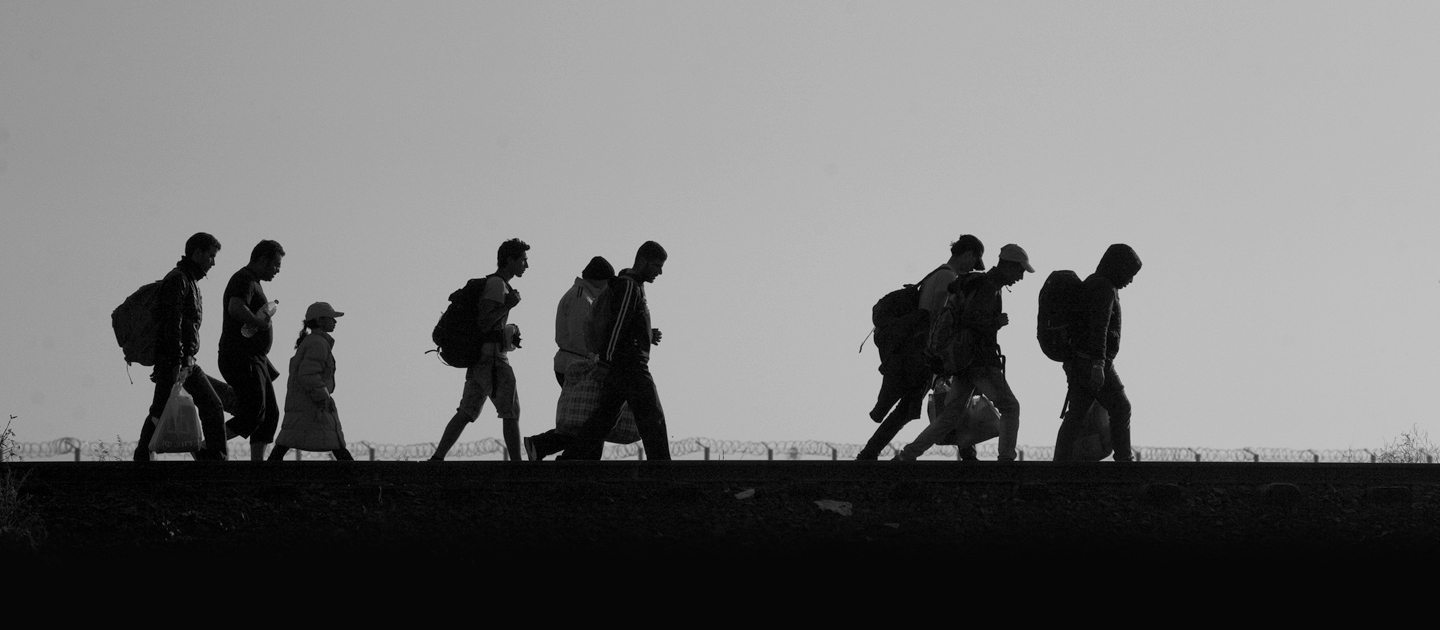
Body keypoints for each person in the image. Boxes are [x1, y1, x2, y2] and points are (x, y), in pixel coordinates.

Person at [898, 244, 1032, 461]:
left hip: (962, 360)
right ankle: (1006, 459)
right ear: (1008, 266)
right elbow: (972, 319)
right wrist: (995, 322)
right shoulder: (989, 287)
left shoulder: (979, 283)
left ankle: (907, 455)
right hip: (980, 360)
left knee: (950, 416)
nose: (1021, 277)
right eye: (1020, 271)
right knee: (1010, 407)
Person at [856, 235, 984, 460]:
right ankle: (967, 455)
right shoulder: (948, 277)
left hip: (922, 353)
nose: (972, 268)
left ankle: (869, 453)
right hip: (928, 355)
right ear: (968, 255)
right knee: (943, 404)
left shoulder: (936, 275)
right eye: (974, 261)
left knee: (916, 408)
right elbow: (941, 316)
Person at [558, 241, 671, 461]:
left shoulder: (632, 285)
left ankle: (570, 459)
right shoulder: (630, 286)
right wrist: (605, 361)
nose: (660, 272)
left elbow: (626, 326)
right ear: (643, 261)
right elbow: (617, 325)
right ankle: (662, 468)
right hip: (630, 365)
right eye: (657, 265)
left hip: (621, 364)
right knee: (652, 415)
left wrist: (646, 335)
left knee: (604, 418)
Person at [430, 238, 530, 462]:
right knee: (511, 411)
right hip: (492, 359)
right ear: (510, 260)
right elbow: (484, 321)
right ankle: (517, 465)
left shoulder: (498, 284)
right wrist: (508, 305)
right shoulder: (497, 285)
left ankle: (437, 458)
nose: (526, 265)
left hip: (480, 360)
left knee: (467, 411)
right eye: (523, 260)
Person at [133, 232, 229, 461]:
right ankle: (216, 459)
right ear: (197, 254)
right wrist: (178, 361)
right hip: (175, 359)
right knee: (210, 405)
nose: (213, 262)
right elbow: (171, 321)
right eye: (211, 256)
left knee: (162, 408)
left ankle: (143, 456)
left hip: (181, 358)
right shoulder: (179, 279)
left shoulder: (188, 280)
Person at [1053, 244, 1142, 462]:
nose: (1130, 280)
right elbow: (1099, 328)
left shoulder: (1093, 283)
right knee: (1121, 408)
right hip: (1092, 362)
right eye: (1129, 274)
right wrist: (1099, 364)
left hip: (1079, 360)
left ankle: (1058, 464)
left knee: (1076, 416)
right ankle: (1124, 460)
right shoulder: (1104, 288)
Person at [523, 256, 615, 461]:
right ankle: (546, 446)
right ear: (600, 279)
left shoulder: (584, 296)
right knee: (588, 420)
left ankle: (558, 452)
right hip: (577, 365)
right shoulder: (581, 298)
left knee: (587, 419)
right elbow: (580, 337)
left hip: (576, 363)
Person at [218, 240, 284, 461]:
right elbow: (236, 307)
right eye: (275, 264)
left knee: (270, 414)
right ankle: (208, 445)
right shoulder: (244, 279)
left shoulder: (254, 282)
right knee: (254, 411)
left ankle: (257, 465)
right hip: (240, 356)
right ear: (262, 260)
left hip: (256, 358)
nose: (278, 269)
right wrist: (259, 322)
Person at [269, 303, 353, 461]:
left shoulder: (313, 341)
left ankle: (267, 473)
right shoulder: (318, 343)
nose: (335, 322)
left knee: (289, 437)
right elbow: (308, 374)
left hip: (306, 403)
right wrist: (323, 397)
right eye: (331, 318)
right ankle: (358, 478)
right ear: (320, 321)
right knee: (335, 443)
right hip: (313, 403)